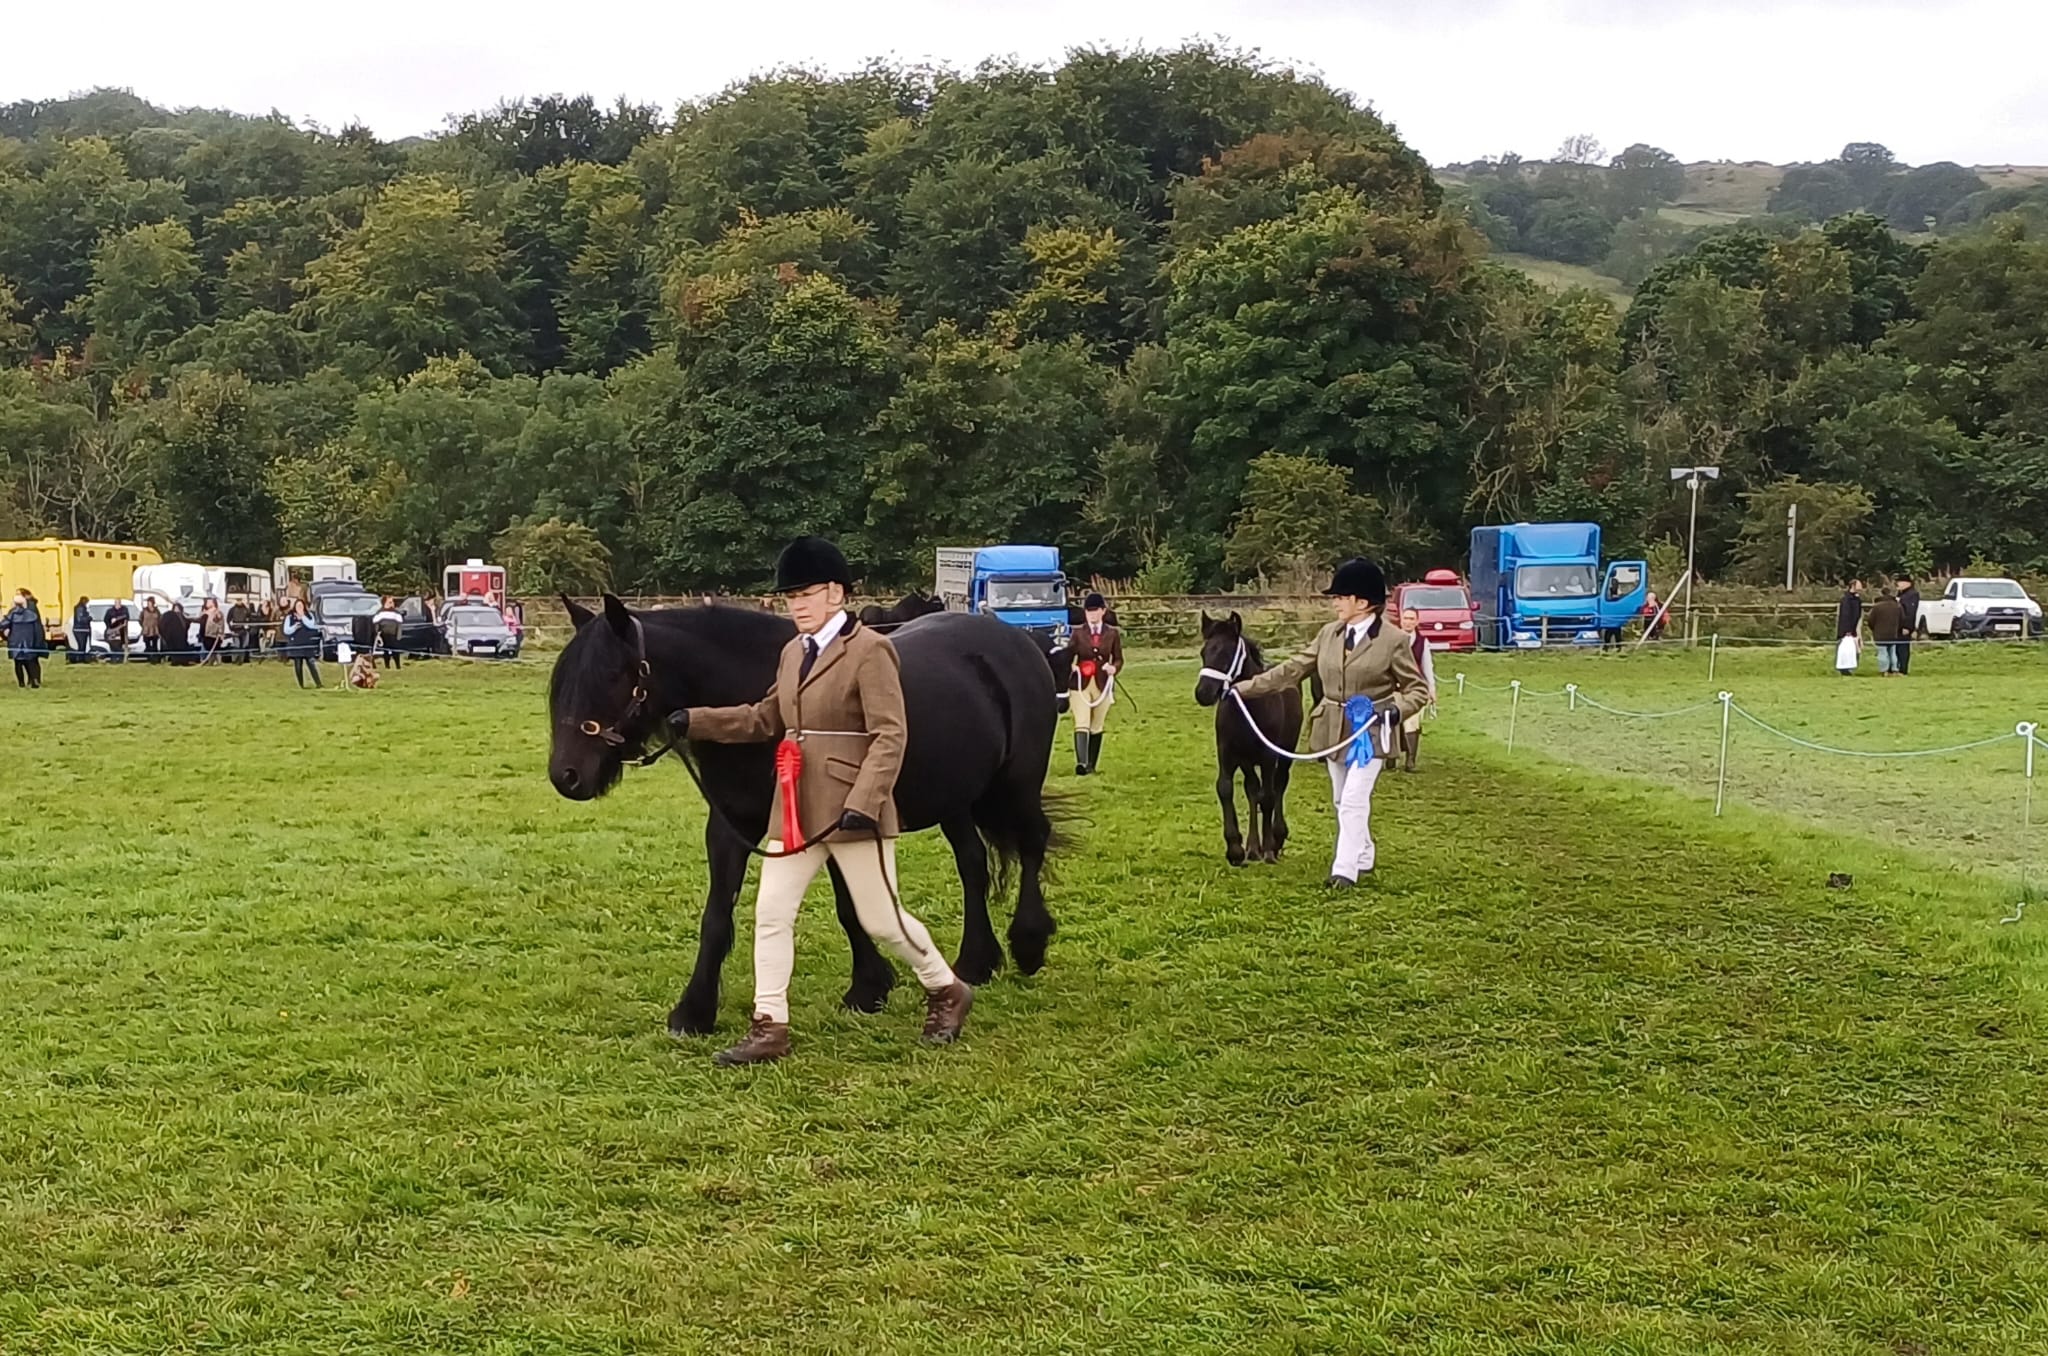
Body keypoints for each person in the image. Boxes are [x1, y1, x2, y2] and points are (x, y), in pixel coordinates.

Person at [666, 535, 971, 1066]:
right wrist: (696, 720)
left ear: (835, 593)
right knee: (771, 913)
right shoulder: (792, 653)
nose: (796, 605)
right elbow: (765, 719)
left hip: (853, 811)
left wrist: (866, 799)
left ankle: (946, 988)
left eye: (804, 594)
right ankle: (769, 1026)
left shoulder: (872, 651)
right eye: (789, 597)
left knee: (882, 920)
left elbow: (890, 735)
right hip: (796, 807)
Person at [1232, 558, 1429, 889]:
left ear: (1362, 602)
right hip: (1333, 728)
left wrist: (1396, 711)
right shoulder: (1329, 634)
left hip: (1372, 732)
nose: (1334, 602)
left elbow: (1417, 689)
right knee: (1342, 799)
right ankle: (1364, 851)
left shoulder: (1393, 640)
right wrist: (1245, 688)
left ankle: (1345, 869)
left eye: (1340, 596)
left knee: (1353, 798)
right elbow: (1293, 669)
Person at [1069, 591, 1123, 775]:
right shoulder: (1077, 633)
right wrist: (1072, 666)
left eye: (1095, 611)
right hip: (1080, 683)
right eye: (1088, 611)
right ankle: (1082, 763)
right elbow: (1068, 654)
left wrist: (1114, 668)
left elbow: (1118, 659)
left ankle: (1092, 764)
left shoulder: (1113, 634)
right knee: (1081, 721)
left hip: (1102, 683)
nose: (1091, 614)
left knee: (1096, 724)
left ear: (1103, 611)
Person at [1396, 606, 1439, 772]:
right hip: (1394, 686)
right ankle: (1391, 757)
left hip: (1414, 688)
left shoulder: (1423, 642)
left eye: (1411, 619)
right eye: (1405, 618)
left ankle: (1410, 760)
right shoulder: (1392, 639)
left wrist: (1431, 688)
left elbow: (1427, 666)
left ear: (1417, 621)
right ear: (1401, 620)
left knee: (1412, 721)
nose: (1408, 622)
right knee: (1392, 721)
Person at [4, 590, 46, 688]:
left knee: (18, 663)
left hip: (15, 642)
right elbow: (36, 627)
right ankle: (34, 680)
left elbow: (3, 624)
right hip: (29, 641)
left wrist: (5, 635)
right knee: (31, 661)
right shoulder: (31, 613)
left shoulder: (13, 613)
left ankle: (22, 683)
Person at [282, 598, 323, 688]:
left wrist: (303, 617)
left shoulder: (309, 615)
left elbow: (312, 625)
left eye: (301, 605)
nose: (299, 607)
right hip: (296, 643)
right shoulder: (289, 617)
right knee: (298, 665)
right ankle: (301, 685)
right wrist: (294, 628)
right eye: (298, 606)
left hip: (307, 643)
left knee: (311, 664)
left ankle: (318, 684)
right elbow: (286, 630)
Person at [1869, 586, 1904, 677]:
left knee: (1882, 653)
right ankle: (1895, 669)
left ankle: (1884, 671)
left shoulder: (1876, 607)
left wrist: (1874, 629)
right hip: (1893, 633)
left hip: (1880, 634)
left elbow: (1871, 621)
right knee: (1893, 652)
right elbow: (1902, 619)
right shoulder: (1897, 606)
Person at [1835, 579, 1865, 676]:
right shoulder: (1846, 599)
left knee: (1854, 649)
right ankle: (1844, 668)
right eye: (1859, 585)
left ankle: (1851, 667)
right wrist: (1847, 630)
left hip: (1855, 629)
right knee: (1845, 649)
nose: (1861, 587)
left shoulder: (1857, 599)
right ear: (1853, 585)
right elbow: (1845, 615)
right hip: (1847, 630)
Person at [1895, 575, 1921, 676]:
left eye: (1900, 582)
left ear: (1907, 583)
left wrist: (1907, 627)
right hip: (1898, 625)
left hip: (1904, 626)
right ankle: (1897, 667)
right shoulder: (1902, 594)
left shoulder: (1911, 595)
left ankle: (1903, 669)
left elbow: (1910, 612)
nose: (1898, 584)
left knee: (1903, 648)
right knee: (1898, 647)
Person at [373, 596, 404, 670]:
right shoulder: (380, 612)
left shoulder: (396, 613)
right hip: (384, 635)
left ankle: (398, 666)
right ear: (385, 603)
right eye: (390, 602)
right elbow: (376, 623)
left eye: (392, 602)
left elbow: (399, 624)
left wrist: (399, 635)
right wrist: (377, 634)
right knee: (386, 651)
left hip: (394, 635)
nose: (392, 603)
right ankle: (387, 666)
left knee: (395, 651)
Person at [199, 598, 227, 663]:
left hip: (213, 635)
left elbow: (220, 624)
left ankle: (217, 662)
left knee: (215, 650)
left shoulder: (217, 613)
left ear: (213, 603)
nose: (207, 603)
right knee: (206, 649)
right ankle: (207, 661)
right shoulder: (204, 612)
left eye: (209, 602)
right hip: (205, 634)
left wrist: (220, 633)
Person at [103, 598, 130, 665]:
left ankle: (120, 660)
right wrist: (110, 625)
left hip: (122, 631)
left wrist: (118, 620)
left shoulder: (124, 609)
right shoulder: (110, 611)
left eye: (119, 603)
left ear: (120, 603)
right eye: (116, 603)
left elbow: (127, 617)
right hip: (112, 631)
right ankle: (114, 659)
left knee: (120, 645)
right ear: (114, 603)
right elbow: (106, 619)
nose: (117, 604)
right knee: (113, 646)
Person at [226, 600, 251, 665]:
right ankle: (234, 660)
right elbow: (228, 620)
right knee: (236, 645)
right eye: (238, 600)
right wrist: (231, 628)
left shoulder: (246, 609)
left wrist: (247, 626)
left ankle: (241, 661)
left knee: (243, 646)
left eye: (241, 600)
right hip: (235, 630)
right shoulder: (232, 610)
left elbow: (250, 617)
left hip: (244, 630)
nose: (239, 602)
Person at [69, 596, 92, 663]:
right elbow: (80, 619)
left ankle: (81, 659)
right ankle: (80, 659)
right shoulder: (80, 608)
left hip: (80, 629)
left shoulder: (79, 607)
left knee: (82, 645)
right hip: (81, 629)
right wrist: (89, 618)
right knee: (82, 645)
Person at [140, 598, 162, 662]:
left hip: (155, 630)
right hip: (147, 630)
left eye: (150, 602)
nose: (148, 604)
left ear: (153, 603)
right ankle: (149, 658)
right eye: (148, 603)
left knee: (155, 645)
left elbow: (159, 619)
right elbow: (140, 619)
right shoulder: (144, 611)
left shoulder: (157, 611)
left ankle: (155, 658)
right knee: (148, 645)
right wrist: (144, 626)